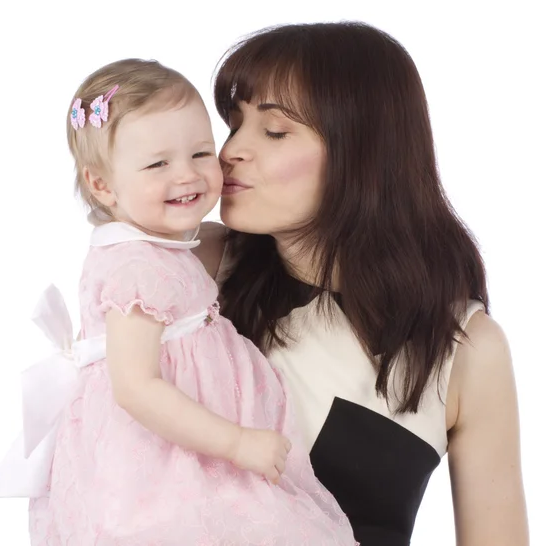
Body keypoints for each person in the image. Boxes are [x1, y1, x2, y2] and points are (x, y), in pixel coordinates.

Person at [0, 58, 357, 545]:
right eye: (158, 163)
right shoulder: (137, 268)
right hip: (161, 457)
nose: (188, 175)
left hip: (192, 442)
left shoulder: (170, 247)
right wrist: (237, 442)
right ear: (102, 184)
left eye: (201, 153)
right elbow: (136, 388)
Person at [193, 22, 529, 546]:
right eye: (235, 124)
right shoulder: (198, 270)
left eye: (275, 131)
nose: (232, 149)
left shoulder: (466, 348)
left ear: (363, 152)